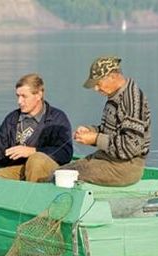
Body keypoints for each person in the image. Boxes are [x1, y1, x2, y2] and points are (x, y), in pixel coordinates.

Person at [58, 56, 151, 186]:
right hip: (107, 159)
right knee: (61, 171)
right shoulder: (115, 95)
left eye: (98, 83)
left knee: (61, 177)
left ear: (112, 77)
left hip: (125, 167)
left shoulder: (132, 100)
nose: (96, 88)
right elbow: (113, 132)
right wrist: (91, 131)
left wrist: (95, 139)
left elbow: (130, 147)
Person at [0, 73, 73, 182]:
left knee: (36, 160)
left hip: (48, 170)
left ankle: (34, 196)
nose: (19, 101)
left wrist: (32, 151)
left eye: (24, 96)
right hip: (20, 169)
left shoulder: (57, 118)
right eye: (18, 96)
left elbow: (65, 153)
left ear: (38, 95)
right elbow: (1, 154)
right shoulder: (12, 118)